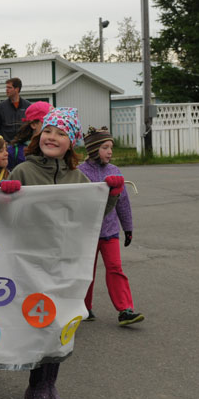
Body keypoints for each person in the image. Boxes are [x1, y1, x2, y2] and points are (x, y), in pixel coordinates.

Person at [9, 107, 125, 399]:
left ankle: (49, 384)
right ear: (38, 135)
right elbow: (4, 217)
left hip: (66, 265)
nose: (52, 137)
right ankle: (35, 388)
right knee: (41, 325)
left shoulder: (79, 178)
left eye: (61, 133)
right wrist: (5, 196)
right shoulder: (23, 172)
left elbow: (93, 217)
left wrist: (111, 195)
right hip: (32, 265)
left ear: (71, 142)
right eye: (48, 131)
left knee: (62, 326)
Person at [78, 127, 144, 326]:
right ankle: (83, 308)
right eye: (105, 147)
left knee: (115, 268)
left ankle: (125, 310)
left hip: (110, 231)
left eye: (111, 148)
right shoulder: (80, 172)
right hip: (87, 234)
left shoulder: (115, 171)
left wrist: (128, 228)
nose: (110, 151)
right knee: (86, 272)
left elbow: (123, 202)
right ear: (93, 149)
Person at [7, 101, 52, 170]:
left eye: (54, 123)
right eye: (46, 122)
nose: (52, 126)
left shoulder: (57, 150)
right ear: (33, 125)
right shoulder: (13, 152)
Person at [0, 77, 31, 142]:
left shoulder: (28, 106)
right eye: (6, 88)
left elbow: (32, 124)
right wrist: (1, 141)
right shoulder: (1, 107)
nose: (7, 90)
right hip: (7, 145)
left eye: (9, 88)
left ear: (17, 89)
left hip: (24, 144)